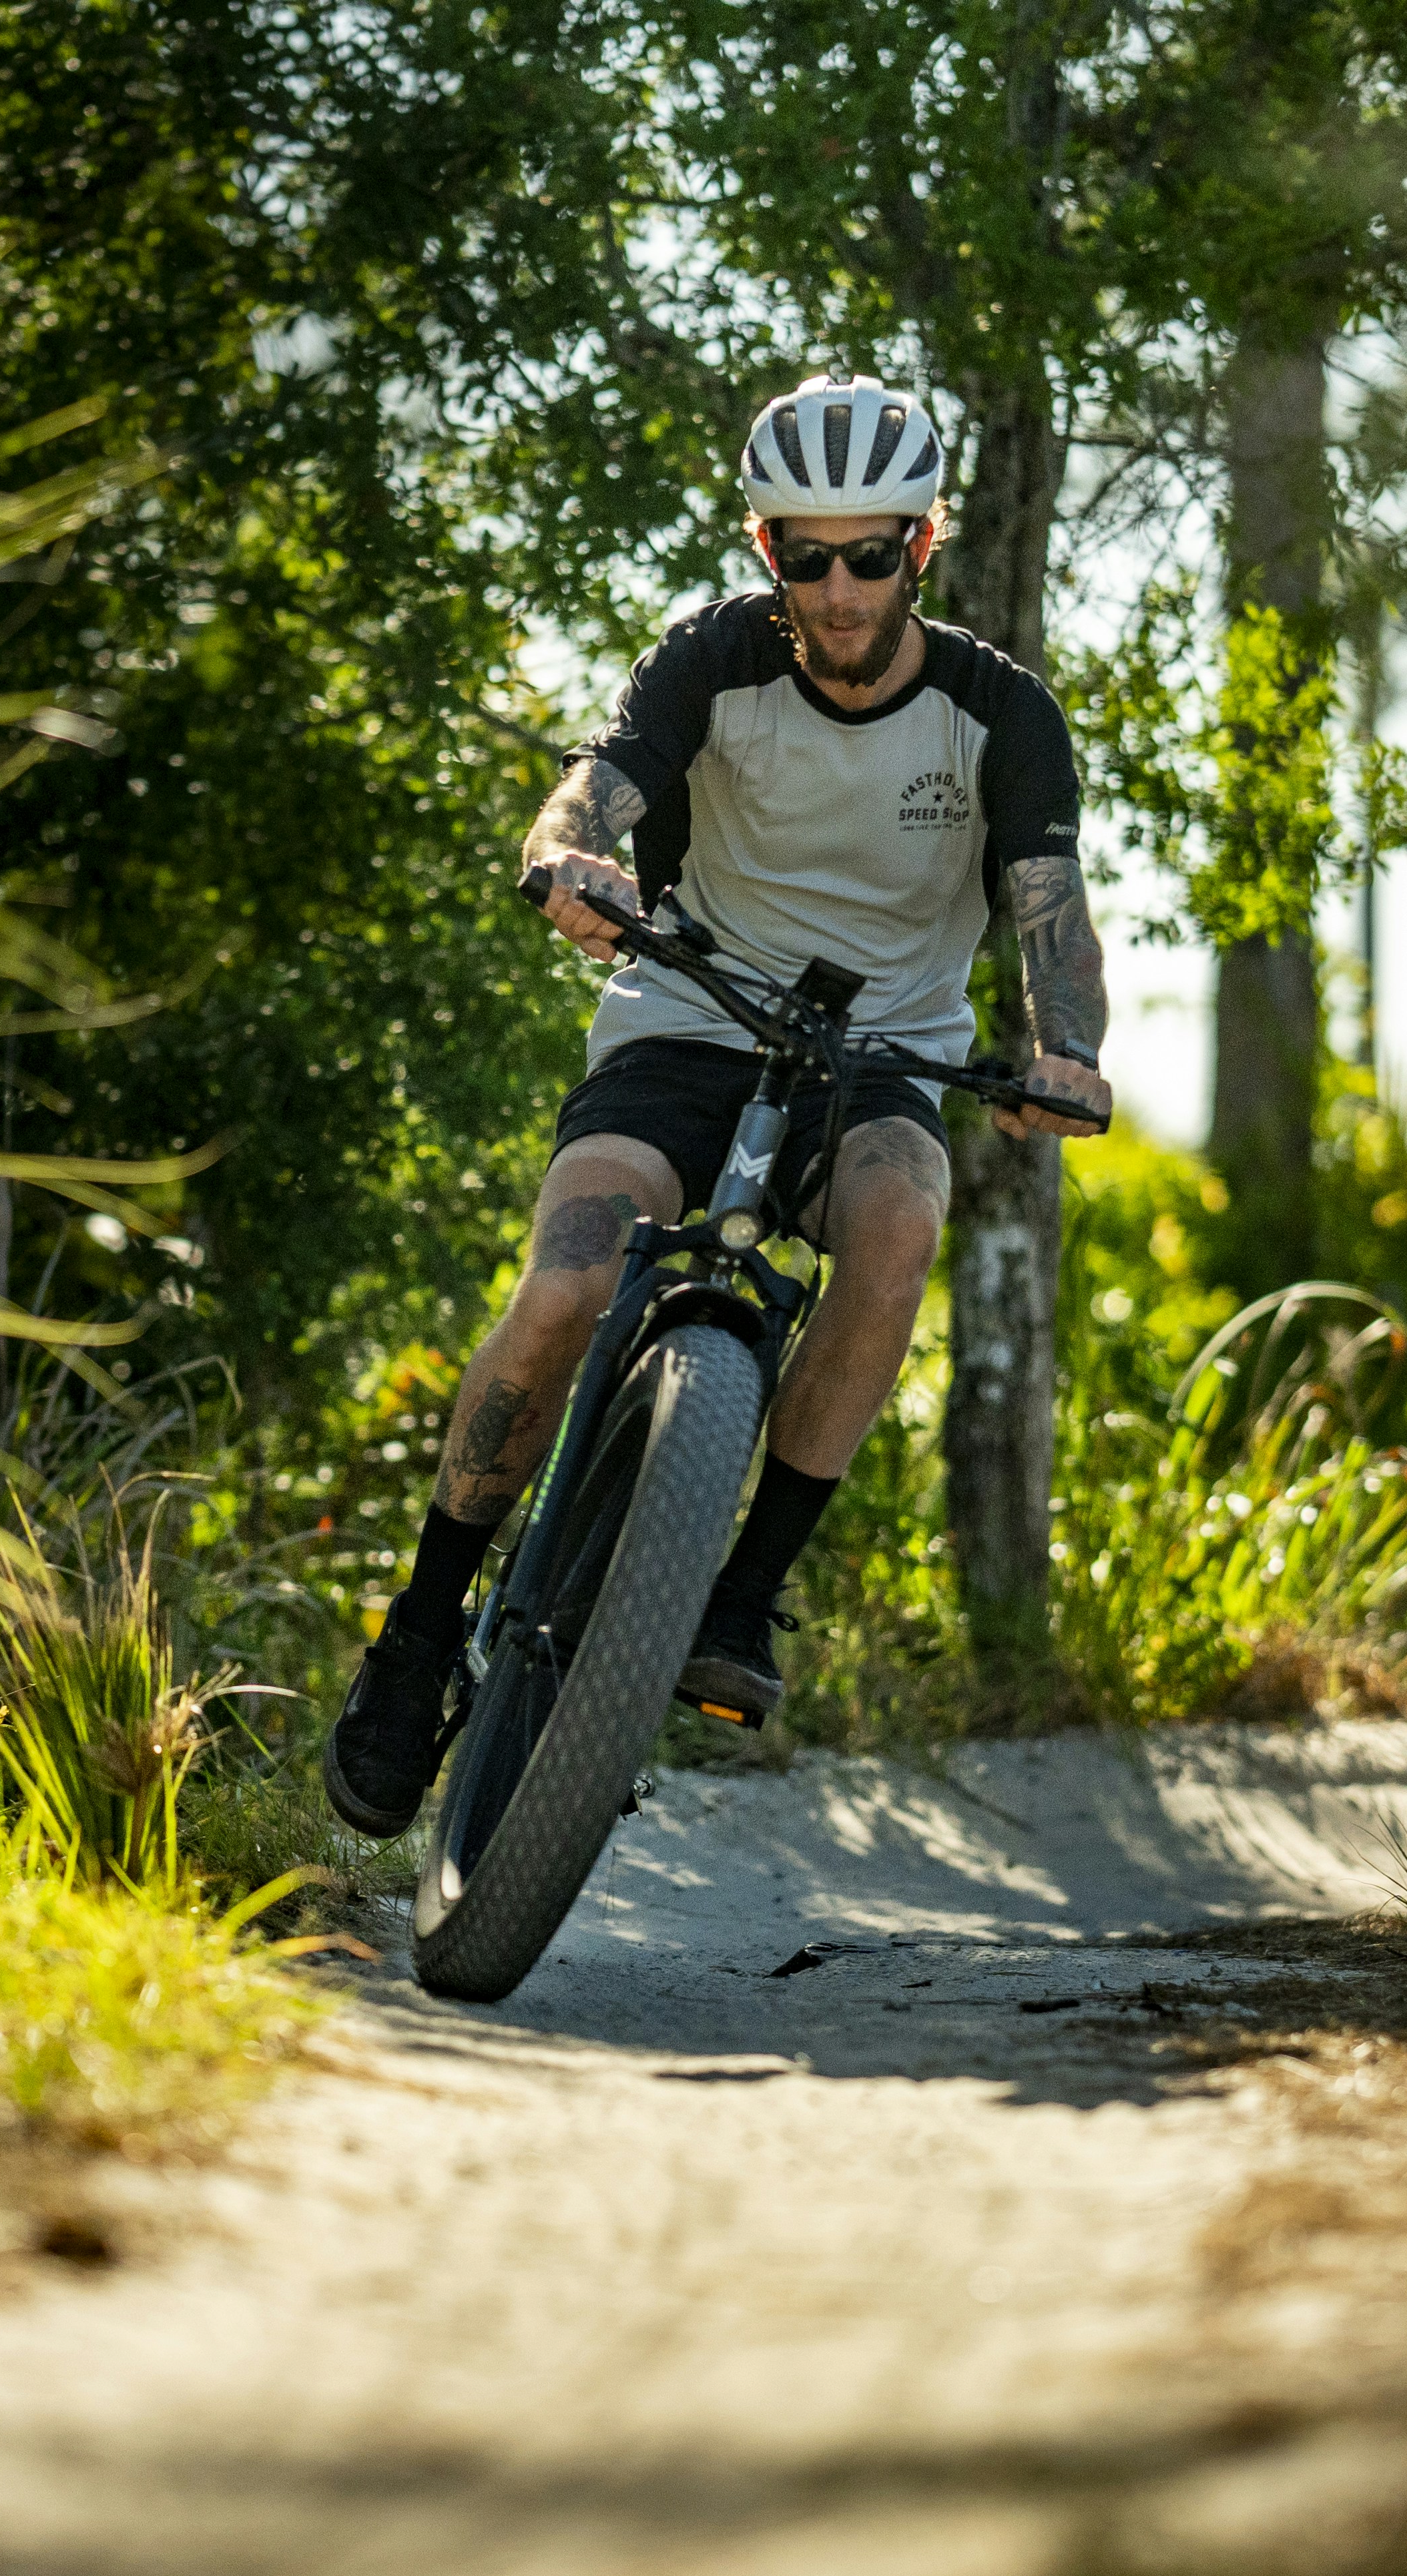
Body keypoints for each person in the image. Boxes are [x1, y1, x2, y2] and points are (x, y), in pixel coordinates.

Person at [322, 374, 1117, 1838]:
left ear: (921, 547)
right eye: (801, 556)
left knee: (894, 1230)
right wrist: (576, 862)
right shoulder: (708, 660)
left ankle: (744, 1594)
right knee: (567, 1286)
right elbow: (593, 789)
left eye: (867, 554)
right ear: (767, 554)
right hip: (689, 1015)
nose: (835, 588)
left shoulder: (1000, 712)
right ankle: (422, 1629)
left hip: (881, 1055)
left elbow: (1051, 916)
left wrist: (1062, 1052)